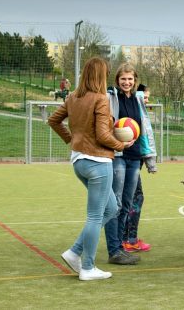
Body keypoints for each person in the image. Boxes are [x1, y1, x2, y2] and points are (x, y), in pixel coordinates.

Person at [48, 57, 132, 281]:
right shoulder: (101, 99)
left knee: (111, 209)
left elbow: (53, 120)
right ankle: (87, 267)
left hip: (79, 162)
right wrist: (121, 145)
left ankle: (75, 251)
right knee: (96, 216)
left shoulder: (73, 96)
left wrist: (72, 140)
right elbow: (104, 135)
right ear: (101, 76)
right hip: (98, 162)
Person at [104, 63, 155, 265]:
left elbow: (146, 129)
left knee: (126, 204)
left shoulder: (138, 99)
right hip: (117, 155)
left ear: (135, 81)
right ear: (117, 80)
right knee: (115, 204)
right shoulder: (111, 98)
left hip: (135, 157)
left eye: (130, 79)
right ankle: (114, 249)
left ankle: (121, 246)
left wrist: (149, 158)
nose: (127, 82)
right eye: (123, 79)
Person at [123, 84, 156, 253]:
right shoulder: (134, 113)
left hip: (136, 159)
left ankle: (127, 238)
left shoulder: (139, 112)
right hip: (129, 159)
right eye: (145, 96)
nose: (147, 100)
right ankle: (129, 239)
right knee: (135, 198)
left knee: (133, 197)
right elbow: (144, 141)